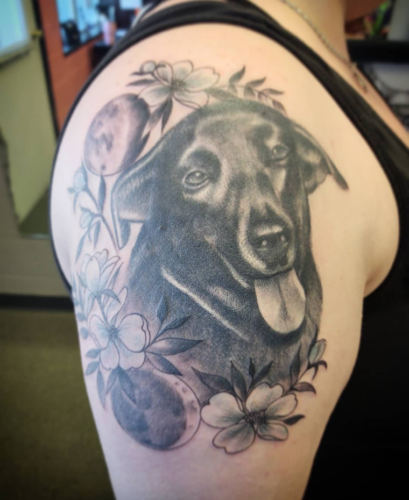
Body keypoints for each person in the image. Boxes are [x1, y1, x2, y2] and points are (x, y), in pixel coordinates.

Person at [50, 1, 409, 498]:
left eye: (275, 155)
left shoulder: (316, 51)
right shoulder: (224, 53)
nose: (271, 227)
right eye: (199, 176)